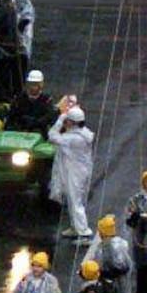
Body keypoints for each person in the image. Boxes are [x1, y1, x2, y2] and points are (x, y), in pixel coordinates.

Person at [49, 100, 95, 238]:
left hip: (75, 171)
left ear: (72, 122)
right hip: (77, 169)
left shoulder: (74, 138)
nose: (65, 123)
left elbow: (52, 136)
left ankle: (84, 231)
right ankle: (75, 227)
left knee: (75, 201)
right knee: (71, 199)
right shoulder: (83, 133)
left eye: (67, 120)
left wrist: (61, 117)